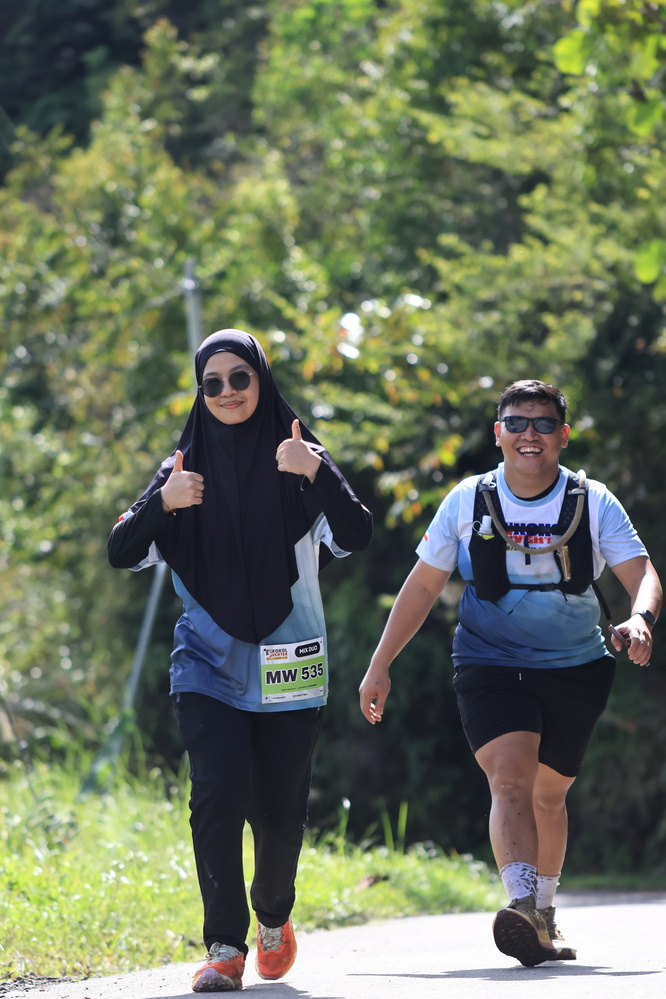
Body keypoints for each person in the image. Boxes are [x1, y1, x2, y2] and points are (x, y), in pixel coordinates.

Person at [359, 379, 661, 968]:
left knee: (550, 795)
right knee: (509, 779)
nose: (530, 435)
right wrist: (380, 663)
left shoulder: (593, 501)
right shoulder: (466, 501)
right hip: (488, 660)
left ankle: (543, 912)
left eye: (543, 424)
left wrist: (641, 619)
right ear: (498, 433)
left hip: (577, 666)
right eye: (517, 423)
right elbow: (422, 586)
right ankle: (521, 906)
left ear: (563, 436)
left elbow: (641, 573)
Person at [108, 329, 372, 992]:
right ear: (200, 392)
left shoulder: (298, 457)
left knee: (279, 812)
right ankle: (224, 946)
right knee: (216, 794)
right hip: (207, 664)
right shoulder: (181, 469)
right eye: (213, 383)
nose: (227, 392)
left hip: (290, 664)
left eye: (240, 378)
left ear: (261, 379)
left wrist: (315, 470)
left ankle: (273, 917)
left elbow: (358, 531)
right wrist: (162, 503)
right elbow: (120, 549)